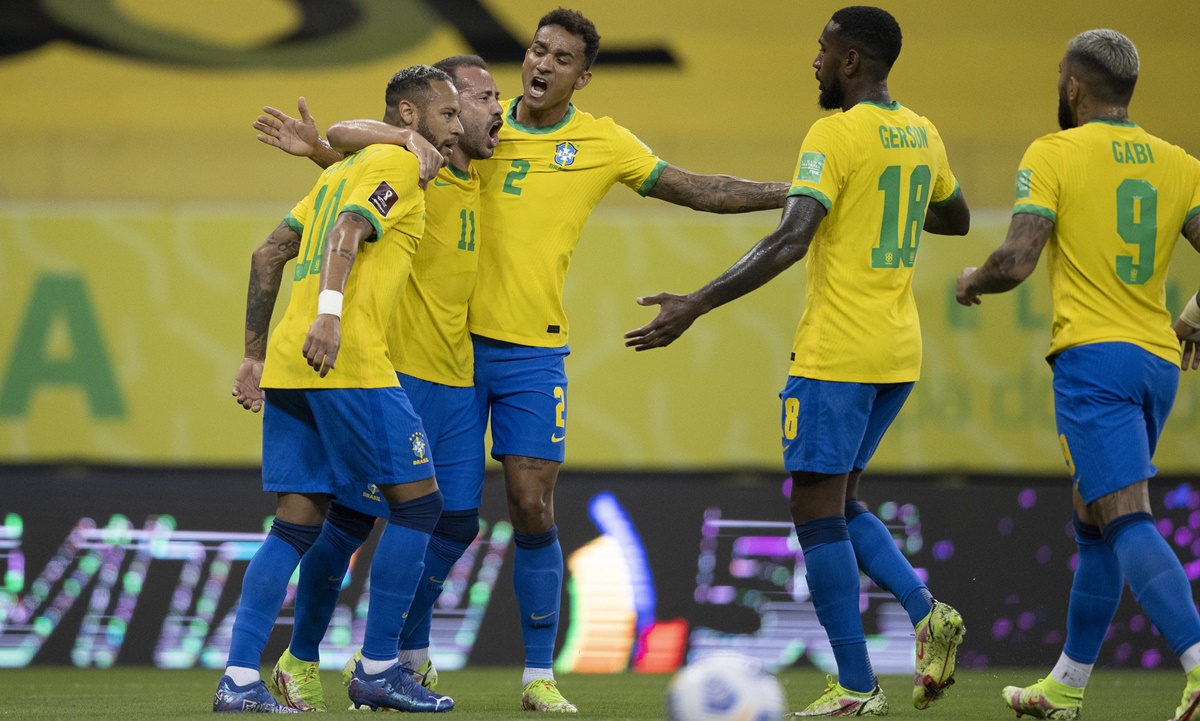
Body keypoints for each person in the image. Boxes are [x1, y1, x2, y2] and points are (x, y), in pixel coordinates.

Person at [625, 6, 969, 716]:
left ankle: (856, 685)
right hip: (897, 351)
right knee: (840, 502)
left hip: (837, 351)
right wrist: (884, 205)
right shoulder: (922, 132)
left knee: (814, 513)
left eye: (823, 49)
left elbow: (790, 239)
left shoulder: (834, 133)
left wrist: (695, 303)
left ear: (851, 61)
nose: (814, 60)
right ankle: (926, 613)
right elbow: (956, 216)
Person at [955, 29, 1200, 721]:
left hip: (1094, 362)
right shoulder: (1180, 163)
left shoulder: (1054, 152)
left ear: (1073, 86)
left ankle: (1197, 661)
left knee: (1126, 517)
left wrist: (974, 279)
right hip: (1156, 361)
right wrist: (1193, 317)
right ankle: (1065, 685)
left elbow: (1016, 260)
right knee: (1093, 518)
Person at [249, 55, 504, 712]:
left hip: (457, 376)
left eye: (491, 98)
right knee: (352, 519)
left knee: (454, 521)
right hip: (390, 365)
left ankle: (394, 651)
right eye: (472, 100)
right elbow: (351, 143)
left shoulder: (476, 172)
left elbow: (348, 168)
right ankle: (312, 657)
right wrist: (365, 142)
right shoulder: (412, 160)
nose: (489, 111)